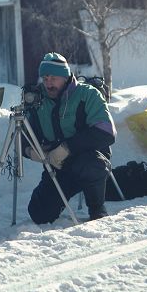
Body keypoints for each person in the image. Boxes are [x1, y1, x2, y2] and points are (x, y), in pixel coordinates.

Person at [23, 52, 116, 223]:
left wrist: (67, 148)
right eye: (45, 78)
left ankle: (97, 209)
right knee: (39, 213)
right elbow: (22, 136)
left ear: (65, 77)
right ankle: (73, 188)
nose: (48, 84)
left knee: (89, 165)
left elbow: (106, 133)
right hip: (58, 166)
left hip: (89, 159)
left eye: (53, 78)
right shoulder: (38, 101)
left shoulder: (87, 94)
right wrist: (30, 151)